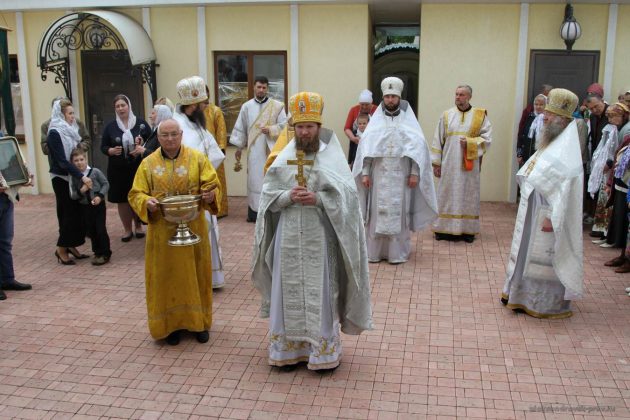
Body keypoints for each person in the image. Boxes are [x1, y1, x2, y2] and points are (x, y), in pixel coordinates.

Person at [252, 91, 373, 371]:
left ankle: (322, 353)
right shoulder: (282, 158)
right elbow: (268, 198)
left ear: (319, 127)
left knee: (322, 292)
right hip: (289, 234)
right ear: (293, 128)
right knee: (287, 288)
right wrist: (286, 197)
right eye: (300, 127)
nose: (304, 132)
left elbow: (348, 199)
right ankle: (286, 352)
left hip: (321, 235)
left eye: (310, 126)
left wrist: (319, 199)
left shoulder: (332, 156)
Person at [128, 118, 222, 345]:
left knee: (197, 274)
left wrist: (210, 194)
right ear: (158, 138)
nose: (170, 139)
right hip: (162, 233)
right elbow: (135, 193)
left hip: (194, 229)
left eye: (173, 134)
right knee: (166, 278)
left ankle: (199, 322)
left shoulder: (197, 159)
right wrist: (146, 201)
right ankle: (170, 327)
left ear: (181, 135)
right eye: (164, 135)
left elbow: (212, 183)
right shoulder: (147, 164)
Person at [502, 88, 583, 319]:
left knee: (543, 259)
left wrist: (550, 216)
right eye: (545, 112)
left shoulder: (567, 149)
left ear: (564, 120)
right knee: (525, 252)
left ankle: (544, 302)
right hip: (533, 209)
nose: (545, 117)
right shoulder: (550, 141)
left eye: (550, 114)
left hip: (547, 214)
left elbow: (563, 188)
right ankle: (520, 295)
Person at [353, 77, 437, 264]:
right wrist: (365, 173)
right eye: (387, 96)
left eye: (394, 96)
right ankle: (374, 253)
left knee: (400, 212)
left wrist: (415, 172)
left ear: (399, 98)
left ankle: (396, 253)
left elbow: (418, 149)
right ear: (383, 98)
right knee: (376, 212)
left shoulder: (409, 121)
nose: (390, 100)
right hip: (378, 174)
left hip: (402, 174)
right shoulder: (375, 122)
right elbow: (366, 151)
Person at [174, 76, 227, 289]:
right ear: (193, 105)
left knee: (208, 231)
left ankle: (209, 278)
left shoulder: (195, 124)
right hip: (189, 193)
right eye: (203, 105)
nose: (206, 108)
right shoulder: (178, 126)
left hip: (204, 190)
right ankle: (194, 279)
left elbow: (212, 152)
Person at [431, 85, 492, 243]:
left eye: (462, 94)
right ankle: (443, 229)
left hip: (468, 166)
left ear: (469, 97)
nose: (458, 97)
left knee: (468, 194)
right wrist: (436, 163)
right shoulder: (446, 115)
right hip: (449, 164)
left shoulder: (480, 116)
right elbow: (438, 139)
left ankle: (467, 231)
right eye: (456, 94)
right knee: (446, 194)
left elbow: (487, 139)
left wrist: (471, 143)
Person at [229, 76, 287, 222]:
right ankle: (254, 213)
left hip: (271, 149)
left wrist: (271, 129)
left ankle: (270, 212)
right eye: (259, 87)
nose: (261, 90)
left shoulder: (277, 106)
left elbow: (285, 127)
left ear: (267, 88)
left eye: (264, 87)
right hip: (254, 151)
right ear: (254, 87)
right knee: (254, 180)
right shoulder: (246, 107)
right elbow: (241, 128)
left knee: (270, 179)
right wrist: (238, 147)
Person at [47, 99, 92, 265]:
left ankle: (71, 245)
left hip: (72, 176)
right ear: (61, 114)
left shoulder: (71, 130)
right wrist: (82, 176)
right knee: (68, 214)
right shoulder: (54, 132)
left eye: (73, 113)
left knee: (77, 213)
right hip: (61, 178)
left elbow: (76, 153)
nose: (73, 117)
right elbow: (62, 161)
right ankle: (61, 249)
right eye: (70, 113)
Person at [100, 95, 151, 242]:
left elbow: (151, 142)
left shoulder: (140, 123)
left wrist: (141, 147)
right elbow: (103, 146)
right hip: (118, 169)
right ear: (115, 109)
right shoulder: (111, 126)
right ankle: (127, 229)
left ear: (129, 106)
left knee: (137, 196)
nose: (121, 108)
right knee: (122, 200)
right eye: (118, 106)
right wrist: (110, 151)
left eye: (123, 105)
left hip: (137, 168)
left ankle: (139, 226)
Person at [588, 103, 630, 242]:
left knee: (608, 199)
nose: (611, 119)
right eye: (609, 116)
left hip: (616, 171)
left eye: (613, 116)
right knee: (603, 198)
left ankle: (606, 233)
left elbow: (618, 151)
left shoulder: (625, 130)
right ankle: (601, 230)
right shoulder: (614, 128)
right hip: (609, 170)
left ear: (622, 116)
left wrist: (610, 163)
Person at [69, 148, 111, 266]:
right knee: (91, 230)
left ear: (86, 159)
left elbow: (105, 184)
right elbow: (73, 195)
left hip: (98, 206)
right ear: (72, 163)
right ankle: (97, 252)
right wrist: (82, 190)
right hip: (85, 207)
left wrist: (100, 196)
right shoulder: (74, 177)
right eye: (76, 160)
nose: (79, 162)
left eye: (81, 159)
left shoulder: (95, 172)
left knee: (100, 228)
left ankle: (105, 253)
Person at [0, 166, 34, 301]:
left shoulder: (4, 145)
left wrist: (23, 177)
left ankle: (8, 280)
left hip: (6, 198)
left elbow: (10, 163)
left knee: (5, 242)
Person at [204, 86, 229, 218]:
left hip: (214, 151)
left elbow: (221, 130)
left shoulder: (215, 110)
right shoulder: (192, 112)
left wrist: (221, 147)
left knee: (216, 180)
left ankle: (220, 208)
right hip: (199, 152)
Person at [344, 89, 378, 166]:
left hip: (372, 146)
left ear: (371, 103)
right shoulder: (354, 110)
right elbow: (347, 128)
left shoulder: (377, 110)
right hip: (356, 145)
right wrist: (353, 138)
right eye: (362, 104)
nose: (364, 107)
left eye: (367, 104)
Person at [517, 94, 547, 166]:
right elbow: (521, 135)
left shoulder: (547, 120)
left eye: (541, 104)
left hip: (541, 158)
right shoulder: (529, 117)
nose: (538, 107)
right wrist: (519, 154)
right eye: (536, 104)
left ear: (546, 105)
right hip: (526, 156)